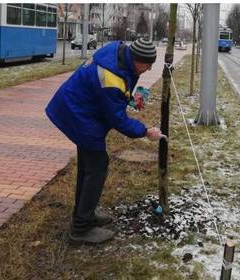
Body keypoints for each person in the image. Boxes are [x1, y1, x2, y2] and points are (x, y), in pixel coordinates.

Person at [45, 38, 164, 243]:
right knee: (97, 167)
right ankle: (81, 229)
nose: (148, 69)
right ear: (136, 59)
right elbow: (117, 118)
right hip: (79, 115)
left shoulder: (117, 53)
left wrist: (127, 98)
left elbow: (113, 90)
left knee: (88, 167)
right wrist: (145, 131)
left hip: (78, 108)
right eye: (146, 65)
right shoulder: (111, 76)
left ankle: (84, 215)